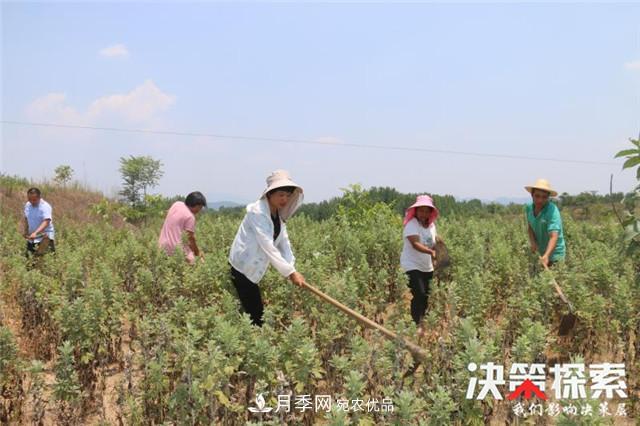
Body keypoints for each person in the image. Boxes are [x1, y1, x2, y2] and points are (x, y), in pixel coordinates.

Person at [228, 169, 306, 326]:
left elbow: (284, 243)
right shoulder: (257, 212)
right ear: (270, 194)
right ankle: (254, 342)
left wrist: (292, 268)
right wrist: (290, 273)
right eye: (281, 195)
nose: (285, 199)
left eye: (288, 195)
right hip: (242, 266)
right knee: (257, 314)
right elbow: (268, 246)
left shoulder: (277, 214)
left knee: (251, 308)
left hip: (253, 264)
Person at [400, 195, 438, 332]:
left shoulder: (431, 226)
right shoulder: (412, 225)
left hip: (427, 266)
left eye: (426, 211)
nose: (424, 214)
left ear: (430, 212)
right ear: (415, 211)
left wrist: (436, 258)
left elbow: (433, 244)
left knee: (426, 295)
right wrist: (431, 253)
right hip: (411, 264)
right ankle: (416, 324)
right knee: (419, 294)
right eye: (421, 210)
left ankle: (422, 321)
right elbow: (415, 244)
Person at [524, 178, 566, 267]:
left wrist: (547, 255)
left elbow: (554, 236)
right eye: (537, 196)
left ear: (548, 197)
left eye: (544, 197)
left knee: (554, 277)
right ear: (532, 195)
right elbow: (530, 227)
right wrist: (532, 242)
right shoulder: (529, 209)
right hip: (541, 252)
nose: (540, 200)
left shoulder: (552, 210)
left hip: (555, 255)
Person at [158, 191, 207, 264]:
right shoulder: (190, 217)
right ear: (194, 204)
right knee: (197, 263)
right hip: (176, 251)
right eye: (199, 207)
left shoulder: (177, 204)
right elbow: (190, 239)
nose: (199, 210)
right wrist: (198, 253)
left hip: (162, 245)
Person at [23, 187, 56, 256]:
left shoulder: (45, 206)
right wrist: (25, 230)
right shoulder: (27, 205)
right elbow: (26, 218)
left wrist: (36, 232)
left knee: (45, 260)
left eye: (34, 200)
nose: (32, 201)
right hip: (32, 238)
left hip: (45, 238)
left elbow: (46, 221)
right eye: (29, 199)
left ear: (39, 197)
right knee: (30, 261)